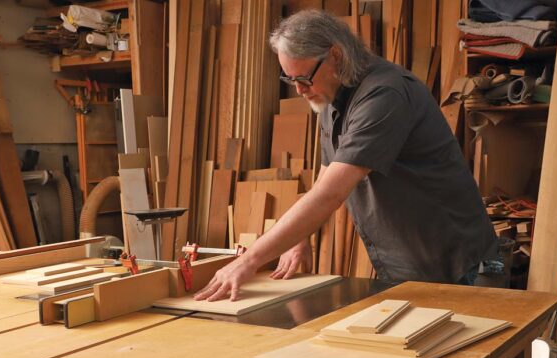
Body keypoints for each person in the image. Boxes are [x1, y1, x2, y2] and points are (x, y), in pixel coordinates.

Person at [195, 9, 497, 302]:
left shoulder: (383, 96)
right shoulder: (330, 98)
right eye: (291, 80)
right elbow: (323, 182)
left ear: (336, 55)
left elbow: (331, 194)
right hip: (409, 264)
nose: (299, 90)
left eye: (303, 78)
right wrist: (300, 237)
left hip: (459, 266)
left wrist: (249, 261)